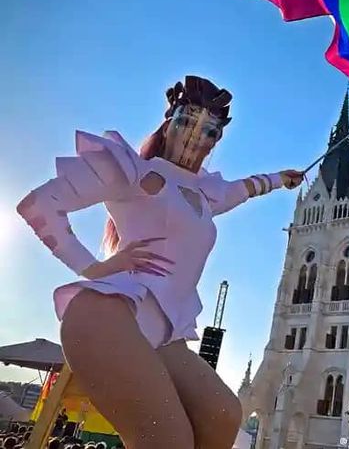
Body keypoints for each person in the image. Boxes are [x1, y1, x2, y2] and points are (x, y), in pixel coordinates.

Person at [17, 76, 304, 449]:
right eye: (187, 121)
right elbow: (39, 205)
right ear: (168, 124)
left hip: (164, 333)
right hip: (108, 316)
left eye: (210, 131)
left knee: (222, 416)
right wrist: (92, 268)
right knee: (168, 439)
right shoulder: (132, 171)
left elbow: (247, 188)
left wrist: (282, 179)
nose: (196, 137)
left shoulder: (207, 193)